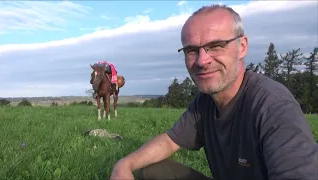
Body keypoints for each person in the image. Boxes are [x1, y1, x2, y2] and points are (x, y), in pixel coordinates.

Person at [109, 4, 318, 180]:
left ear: (242, 47)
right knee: (154, 170)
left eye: (216, 45)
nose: (202, 61)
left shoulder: (273, 106)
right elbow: (170, 141)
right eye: (192, 50)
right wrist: (124, 164)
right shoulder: (205, 102)